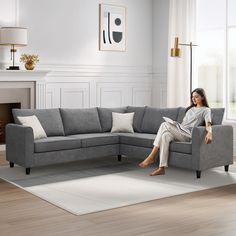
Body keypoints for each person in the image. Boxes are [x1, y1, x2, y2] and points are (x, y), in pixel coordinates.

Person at [139, 88, 213, 176]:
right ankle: (161, 168)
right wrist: (176, 125)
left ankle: (151, 156)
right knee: (165, 136)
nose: (193, 99)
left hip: (189, 134)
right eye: (192, 97)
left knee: (164, 125)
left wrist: (209, 133)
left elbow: (208, 124)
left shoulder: (206, 110)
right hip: (181, 131)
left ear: (202, 97)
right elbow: (184, 123)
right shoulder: (190, 109)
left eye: (196, 97)